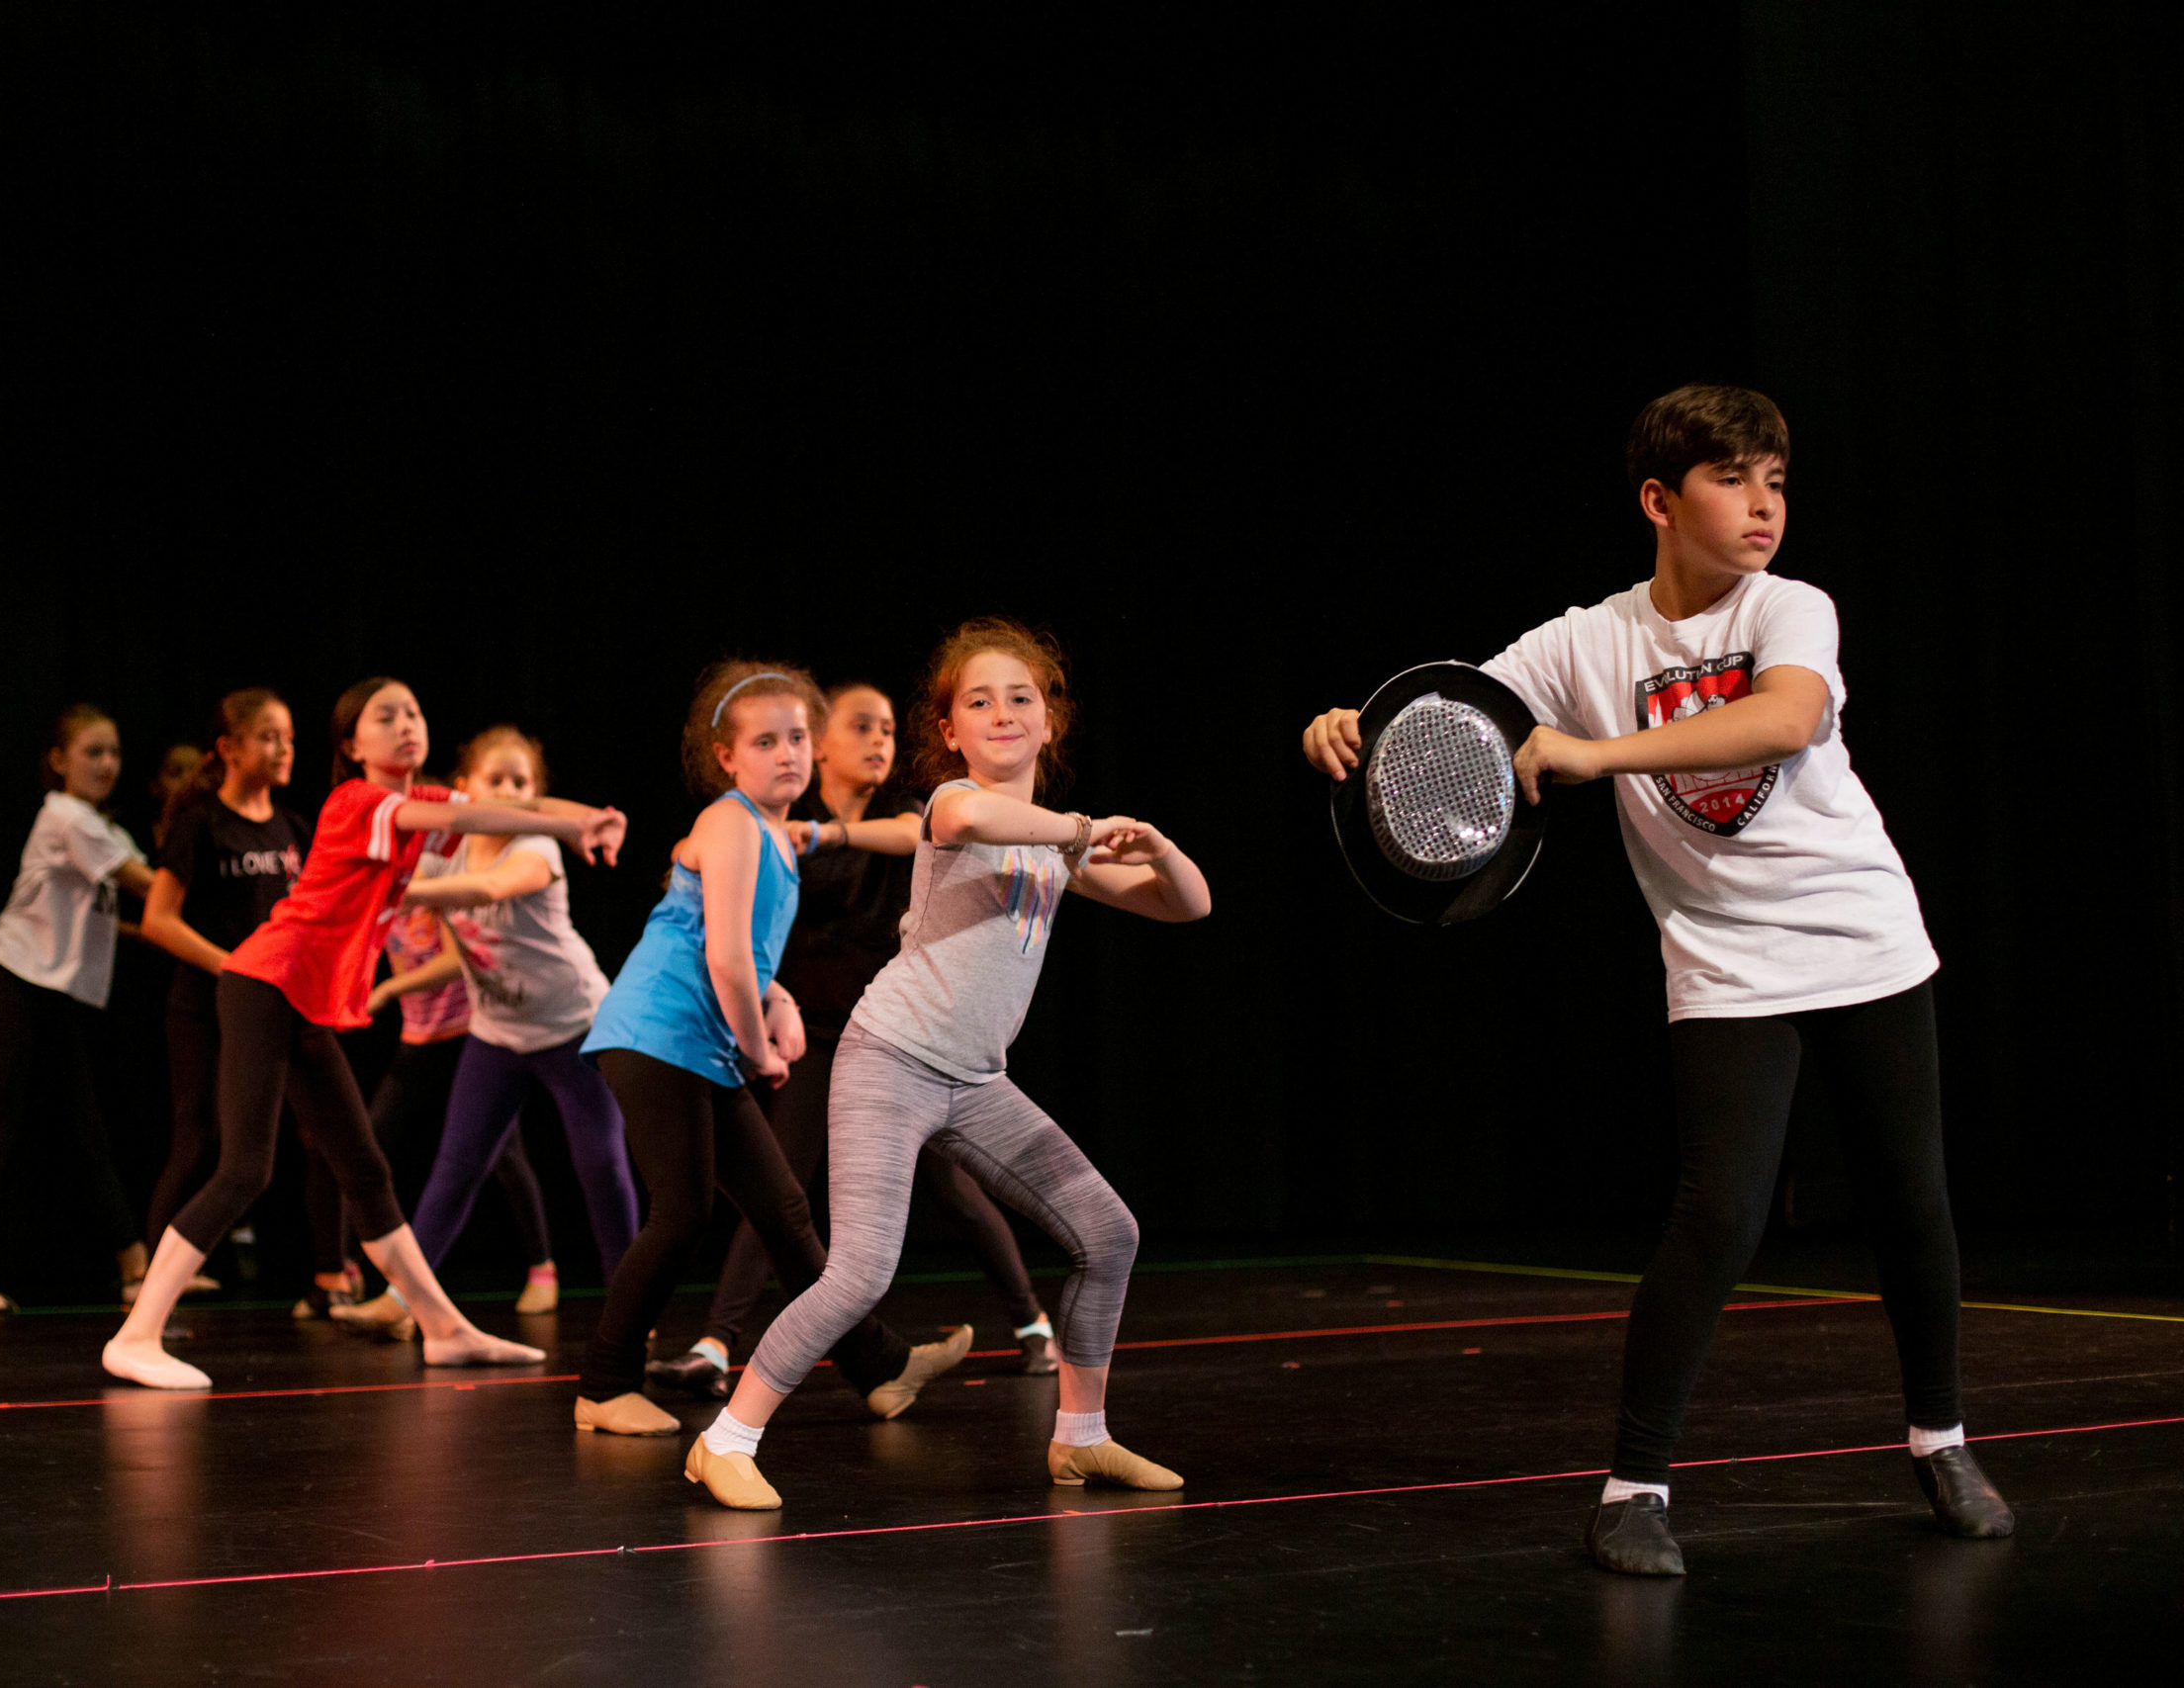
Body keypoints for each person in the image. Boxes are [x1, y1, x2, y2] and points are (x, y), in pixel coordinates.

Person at [1301, 385, 2012, 1575]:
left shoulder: (1793, 610)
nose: (1761, 506)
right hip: (1725, 961)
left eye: (1775, 481)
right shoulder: (1589, 641)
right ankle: (1633, 1488)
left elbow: (1783, 722)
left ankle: (1939, 1440)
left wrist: (1599, 752)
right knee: (1718, 1215)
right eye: (1732, 479)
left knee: (1910, 1202)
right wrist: (1348, 730)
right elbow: (1453, 724)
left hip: (1862, 937)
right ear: (1658, 500)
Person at [685, 623, 1210, 1511]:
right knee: (861, 1268)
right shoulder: (951, 802)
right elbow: (971, 818)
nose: (1002, 712)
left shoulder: (1052, 842)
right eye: (979, 700)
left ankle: (1081, 1439)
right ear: (950, 731)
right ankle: (724, 1439)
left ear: (1051, 722)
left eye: (1022, 697)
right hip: (889, 1057)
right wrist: (1084, 828)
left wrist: (1157, 848)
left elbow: (1187, 905)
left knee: (1108, 1232)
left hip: (975, 1079)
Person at [99, 677, 626, 1389]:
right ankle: (135, 1334)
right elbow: (481, 821)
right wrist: (570, 826)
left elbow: (514, 807)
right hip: (265, 982)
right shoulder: (360, 802)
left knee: (366, 1168)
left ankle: (441, 1328)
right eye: (386, 716)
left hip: (306, 1000)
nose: (407, 723)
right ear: (352, 745)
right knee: (245, 1166)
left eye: (414, 710)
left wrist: (590, 817)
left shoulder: (425, 805)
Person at [576, 663, 972, 1437]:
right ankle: (603, 1383)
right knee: (683, 1212)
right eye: (765, 740)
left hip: (698, 1045)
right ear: (727, 757)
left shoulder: (778, 842)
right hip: (656, 1036)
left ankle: (880, 1368)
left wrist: (778, 1001)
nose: (787, 753)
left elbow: (746, 961)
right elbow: (722, 958)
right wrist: (761, 1049)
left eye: (798, 737)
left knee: (786, 1212)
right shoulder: (729, 821)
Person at [652, 681, 1057, 1402]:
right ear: (821, 742)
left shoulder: (904, 815)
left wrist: (825, 836)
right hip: (813, 1028)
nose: (879, 741)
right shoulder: (776, 812)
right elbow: (712, 858)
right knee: (781, 1183)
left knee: (953, 1185)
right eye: (860, 727)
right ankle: (716, 1344)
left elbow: (911, 835)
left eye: (888, 731)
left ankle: (1032, 1325)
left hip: (898, 1033)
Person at [350, 727, 639, 1326]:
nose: (508, 791)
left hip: (576, 1028)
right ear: (465, 792)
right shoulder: (442, 847)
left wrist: (402, 892)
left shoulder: (537, 847)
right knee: (457, 1165)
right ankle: (405, 1300)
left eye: (521, 782)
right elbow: (465, 950)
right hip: (498, 1033)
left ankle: (632, 1306)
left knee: (602, 1165)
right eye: (495, 781)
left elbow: (490, 888)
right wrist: (389, 980)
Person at [0, 705, 156, 1311]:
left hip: (54, 991)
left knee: (86, 1124)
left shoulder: (103, 829)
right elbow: (153, 886)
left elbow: (132, 917)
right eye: (93, 751)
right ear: (58, 761)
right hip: (12, 978)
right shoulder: (65, 817)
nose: (107, 764)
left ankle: (137, 1270)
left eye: (114, 752)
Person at [136, 688, 308, 1306]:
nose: (283, 747)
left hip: (271, 1011)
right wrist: (234, 967)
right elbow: (158, 920)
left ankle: (331, 1275)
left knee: (294, 1140)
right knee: (200, 1135)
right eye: (268, 736)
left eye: (288, 736)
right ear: (228, 749)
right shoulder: (201, 822)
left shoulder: (292, 828)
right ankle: (152, 1279)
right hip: (203, 1007)